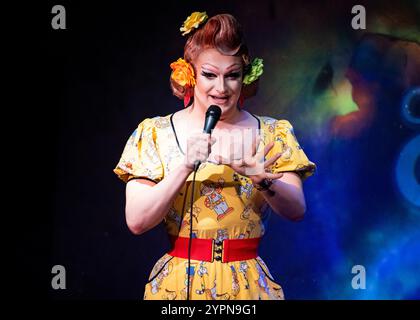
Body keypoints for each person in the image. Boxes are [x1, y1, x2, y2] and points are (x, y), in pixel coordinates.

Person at [113, 11, 316, 300]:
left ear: (244, 76)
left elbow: (297, 210)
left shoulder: (273, 132)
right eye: (209, 75)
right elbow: (137, 221)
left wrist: (262, 181)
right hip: (179, 285)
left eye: (232, 76)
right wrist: (183, 166)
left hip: (247, 285)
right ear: (190, 73)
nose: (221, 88)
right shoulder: (155, 132)